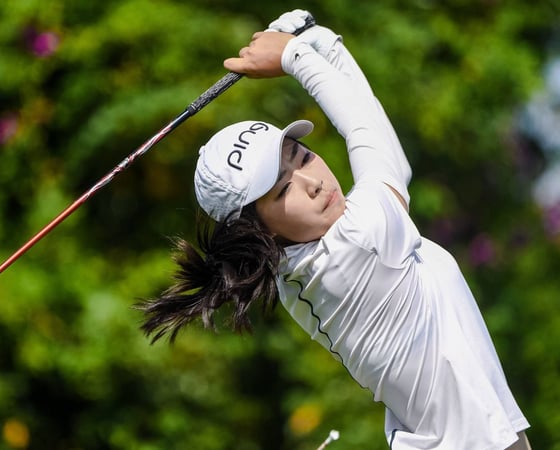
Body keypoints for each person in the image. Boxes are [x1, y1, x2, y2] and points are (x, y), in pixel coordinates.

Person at [138, 10, 531, 450]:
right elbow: (373, 136)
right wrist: (295, 56)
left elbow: (367, 121)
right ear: (256, 229)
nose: (314, 182)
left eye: (302, 157)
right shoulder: (355, 244)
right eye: (283, 188)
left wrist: (321, 43)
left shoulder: (298, 268)